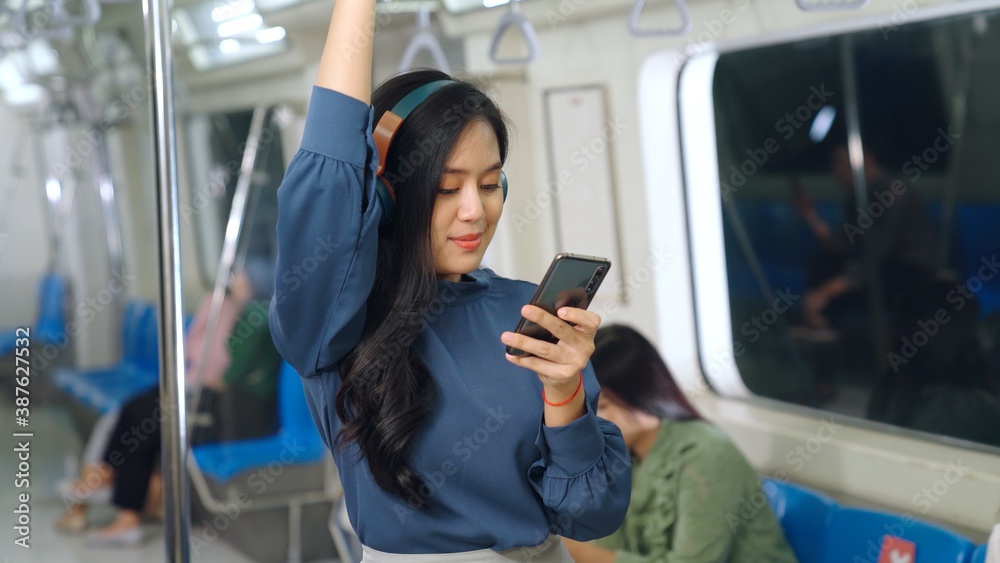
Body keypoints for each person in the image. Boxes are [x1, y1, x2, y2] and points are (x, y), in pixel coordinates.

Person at [267, 1, 630, 560]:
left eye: (488, 185)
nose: (473, 212)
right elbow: (329, 175)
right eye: (445, 187)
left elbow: (588, 516)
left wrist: (566, 394)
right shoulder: (335, 319)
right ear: (388, 195)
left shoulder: (524, 310)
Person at [563, 325, 798, 563]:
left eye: (602, 407)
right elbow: (609, 540)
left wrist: (588, 556)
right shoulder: (622, 455)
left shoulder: (706, 454)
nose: (591, 422)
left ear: (643, 395)